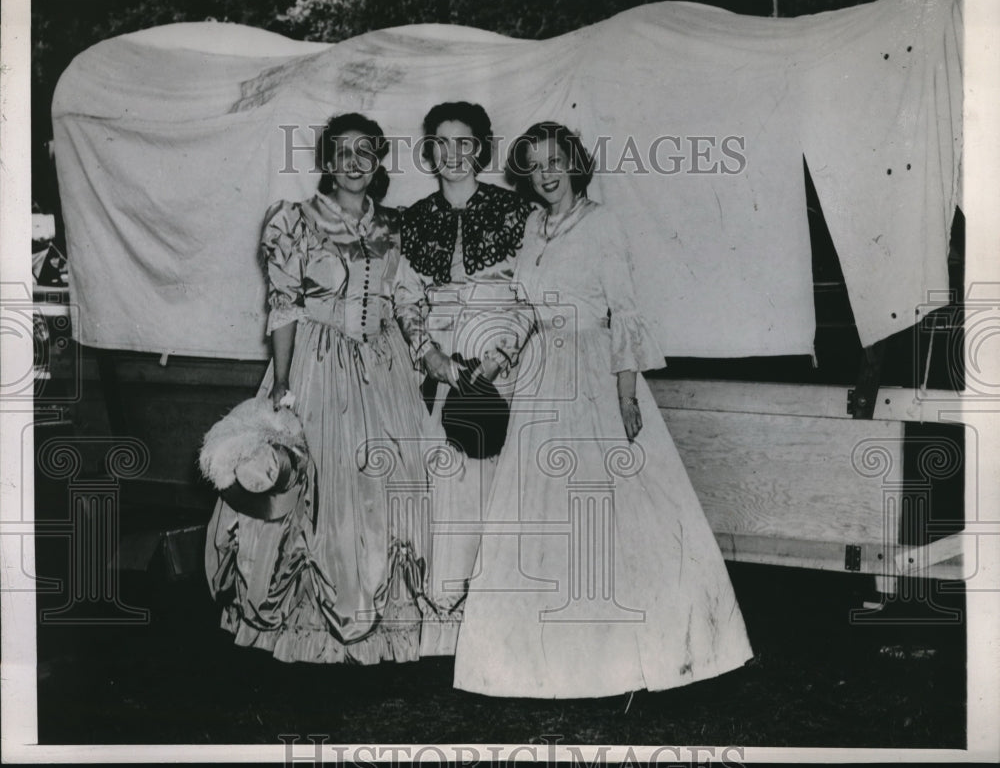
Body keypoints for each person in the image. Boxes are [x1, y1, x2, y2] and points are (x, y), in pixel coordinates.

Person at [453, 122, 754, 697]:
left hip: (593, 378)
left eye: (554, 161)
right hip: (542, 382)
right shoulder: (533, 228)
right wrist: (491, 365)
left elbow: (625, 312)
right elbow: (525, 312)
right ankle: (539, 662)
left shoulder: (603, 223)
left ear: (574, 163)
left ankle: (632, 653)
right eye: (535, 164)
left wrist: (624, 393)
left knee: (610, 509)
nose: (545, 174)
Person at [205, 112, 431, 664]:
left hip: (384, 370)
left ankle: (378, 615)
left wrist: (427, 353)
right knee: (316, 487)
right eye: (342, 152)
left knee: (384, 485)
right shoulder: (293, 221)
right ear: (327, 162)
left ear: (378, 162)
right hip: (316, 364)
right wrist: (282, 385)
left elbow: (404, 299)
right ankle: (301, 621)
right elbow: (284, 306)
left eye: (365, 152)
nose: (354, 163)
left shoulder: (390, 227)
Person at [394, 101, 533, 656]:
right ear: (430, 151)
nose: (453, 155)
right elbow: (405, 297)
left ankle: (496, 624)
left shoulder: (518, 212)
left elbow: (533, 292)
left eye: (464, 143)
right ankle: (443, 624)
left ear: (482, 148)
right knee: (443, 480)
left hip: (502, 365)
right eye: (441, 143)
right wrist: (428, 353)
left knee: (500, 484)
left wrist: (499, 357)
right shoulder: (413, 217)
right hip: (437, 363)